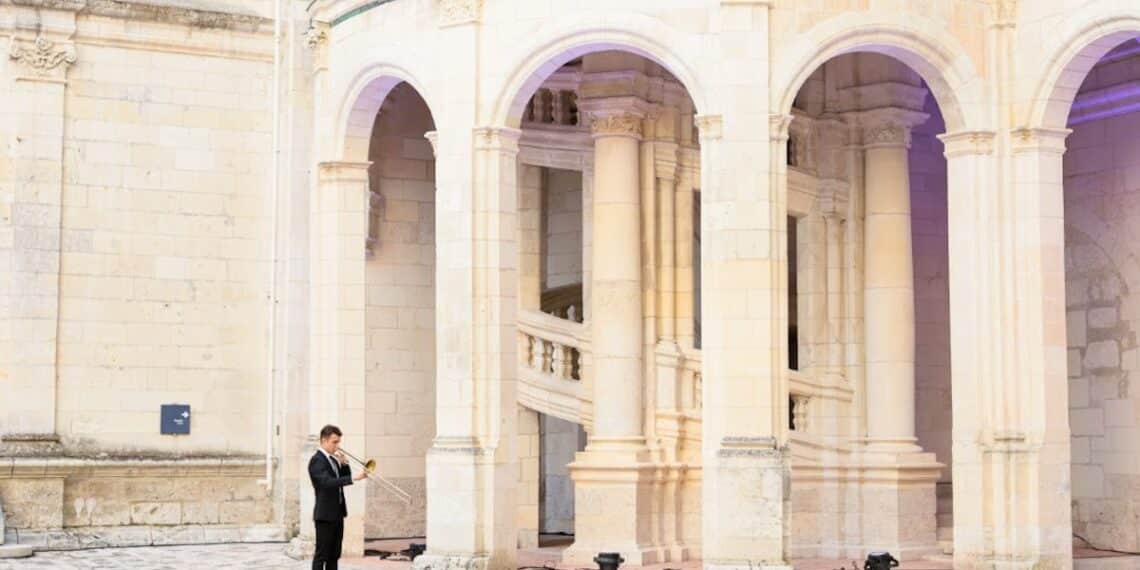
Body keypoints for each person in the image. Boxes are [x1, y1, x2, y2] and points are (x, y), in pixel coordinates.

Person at [309, 424, 367, 570]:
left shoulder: (333, 460)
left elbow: (343, 479)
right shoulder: (317, 460)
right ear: (324, 440)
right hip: (325, 515)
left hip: (337, 514)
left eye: (338, 442)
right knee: (321, 554)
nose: (338, 446)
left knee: (334, 554)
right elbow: (326, 483)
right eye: (334, 442)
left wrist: (345, 464)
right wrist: (355, 478)